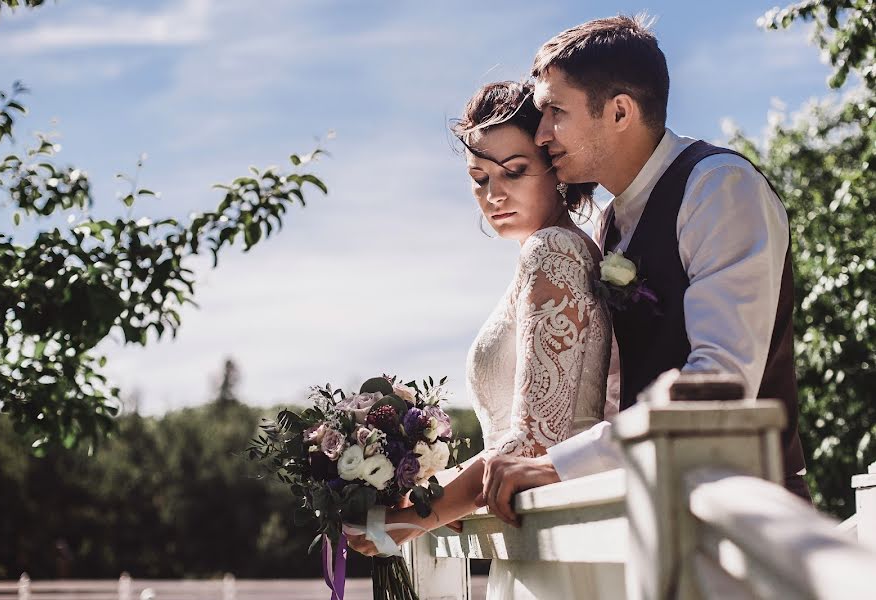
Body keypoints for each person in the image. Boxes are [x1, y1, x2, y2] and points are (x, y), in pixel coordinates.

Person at [479, 13, 811, 519]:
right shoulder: (610, 225)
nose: (541, 133)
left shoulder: (718, 188)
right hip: (654, 516)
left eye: (556, 112)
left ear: (619, 111)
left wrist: (559, 465)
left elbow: (721, 383)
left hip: (744, 519)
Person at [348, 80, 622, 598]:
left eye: (513, 172)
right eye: (479, 178)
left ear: (554, 165)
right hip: (538, 534)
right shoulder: (558, 254)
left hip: (561, 546)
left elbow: (534, 446)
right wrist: (426, 489)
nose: (494, 195)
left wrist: (412, 519)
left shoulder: (554, 254)